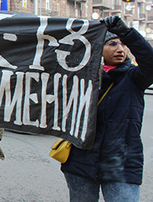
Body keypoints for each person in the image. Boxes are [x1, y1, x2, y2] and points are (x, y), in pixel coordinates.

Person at [61, 15, 153, 202]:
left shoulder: (134, 77)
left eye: (122, 44)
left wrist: (127, 33)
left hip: (122, 165)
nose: (120, 49)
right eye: (112, 44)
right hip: (81, 162)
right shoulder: (82, 77)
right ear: (97, 48)